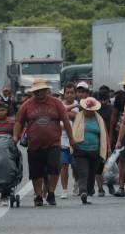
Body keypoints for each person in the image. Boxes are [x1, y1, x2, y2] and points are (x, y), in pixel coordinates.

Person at [14, 79, 74, 207]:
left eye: (41, 90)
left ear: (46, 91)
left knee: (54, 168)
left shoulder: (56, 103)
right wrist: (15, 137)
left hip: (53, 143)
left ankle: (51, 193)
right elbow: (18, 121)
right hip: (34, 144)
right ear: (33, 92)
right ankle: (38, 195)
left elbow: (66, 120)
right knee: (36, 172)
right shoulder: (27, 105)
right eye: (36, 91)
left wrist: (71, 139)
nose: (39, 93)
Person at [71, 96, 109, 204]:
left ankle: (87, 192)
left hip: (95, 152)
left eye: (91, 110)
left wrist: (108, 148)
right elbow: (64, 111)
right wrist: (75, 105)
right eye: (87, 109)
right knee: (83, 173)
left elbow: (104, 134)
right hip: (80, 150)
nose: (89, 111)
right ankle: (83, 191)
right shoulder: (77, 116)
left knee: (92, 174)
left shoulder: (99, 119)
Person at [109, 74, 125, 197]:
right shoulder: (120, 97)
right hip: (122, 130)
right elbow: (114, 116)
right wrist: (112, 134)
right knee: (123, 159)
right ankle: (121, 186)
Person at [59, 84, 79, 199]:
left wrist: (64, 114)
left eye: (72, 92)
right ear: (64, 93)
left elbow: (74, 116)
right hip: (62, 139)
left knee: (76, 166)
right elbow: (65, 115)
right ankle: (64, 189)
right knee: (64, 165)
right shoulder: (59, 104)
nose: (70, 95)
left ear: (75, 93)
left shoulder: (78, 105)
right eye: (68, 92)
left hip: (75, 140)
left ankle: (76, 183)